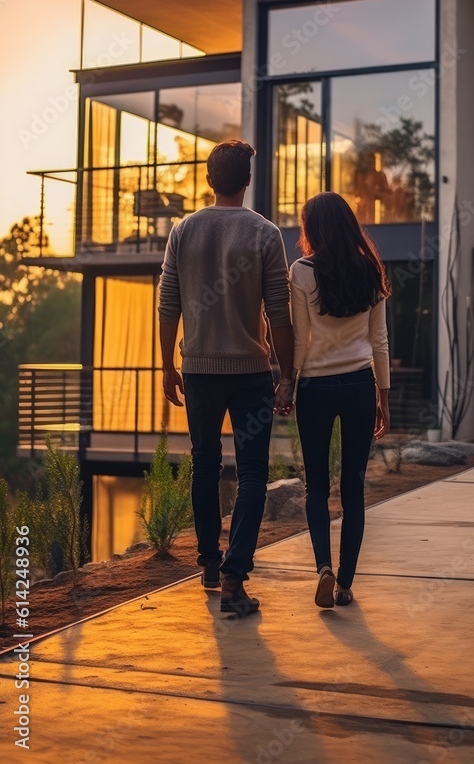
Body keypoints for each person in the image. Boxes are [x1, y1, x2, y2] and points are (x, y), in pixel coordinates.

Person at [158, 140, 294, 617]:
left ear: (209, 179)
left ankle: (210, 566)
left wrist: (167, 366)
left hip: (198, 371)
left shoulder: (183, 231)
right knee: (253, 471)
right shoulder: (265, 233)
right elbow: (279, 313)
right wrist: (288, 375)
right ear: (247, 180)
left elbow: (167, 303)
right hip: (251, 373)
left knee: (204, 465)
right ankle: (235, 575)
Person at [289, 191, 391, 609]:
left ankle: (323, 570)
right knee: (353, 486)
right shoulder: (370, 269)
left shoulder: (301, 271)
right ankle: (346, 583)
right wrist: (383, 396)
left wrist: (286, 382)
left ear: (312, 228)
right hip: (358, 386)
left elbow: (299, 340)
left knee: (316, 486)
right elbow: (379, 340)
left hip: (314, 386)